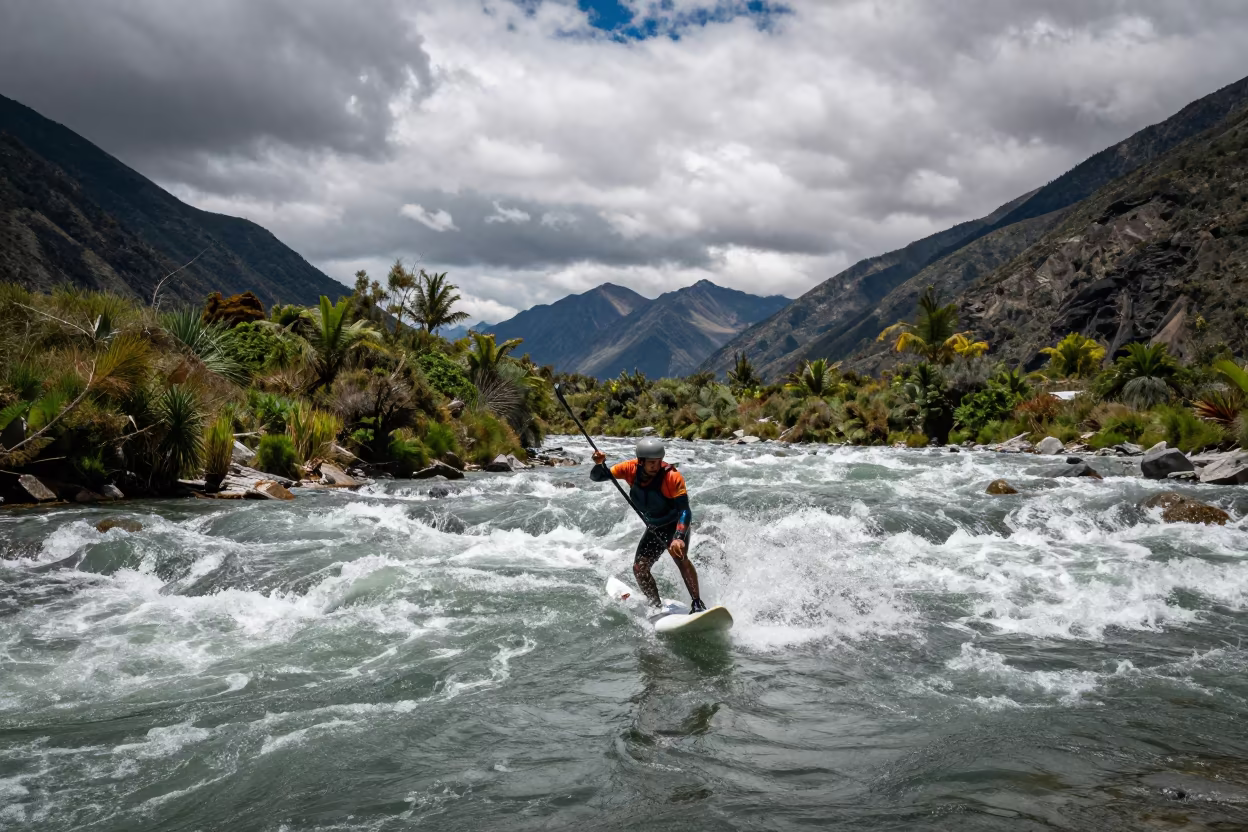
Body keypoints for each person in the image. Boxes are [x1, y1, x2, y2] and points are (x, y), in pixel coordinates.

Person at [590, 437, 706, 614]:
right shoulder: (628, 468)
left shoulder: (672, 476)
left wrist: (679, 538)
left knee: (680, 559)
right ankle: (655, 606)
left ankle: (697, 603)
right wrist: (599, 464)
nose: (655, 465)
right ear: (641, 461)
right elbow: (597, 477)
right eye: (651, 462)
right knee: (639, 569)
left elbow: (685, 510)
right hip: (654, 526)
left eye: (658, 461)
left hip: (674, 525)